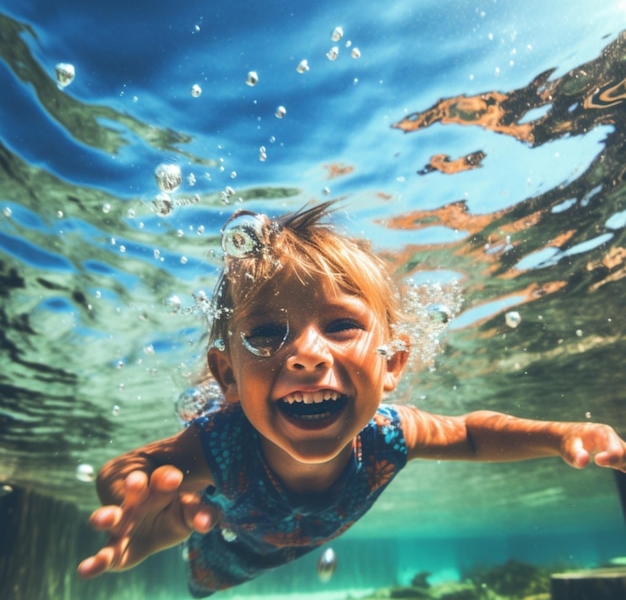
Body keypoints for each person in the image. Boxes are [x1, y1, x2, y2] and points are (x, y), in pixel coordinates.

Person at [77, 201, 626, 597]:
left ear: (392, 363)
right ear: (227, 376)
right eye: (267, 332)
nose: (306, 354)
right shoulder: (219, 444)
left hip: (298, 543)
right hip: (219, 553)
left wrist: (560, 436)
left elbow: (474, 436)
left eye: (340, 324)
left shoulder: (391, 434)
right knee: (204, 587)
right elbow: (136, 472)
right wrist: (133, 505)